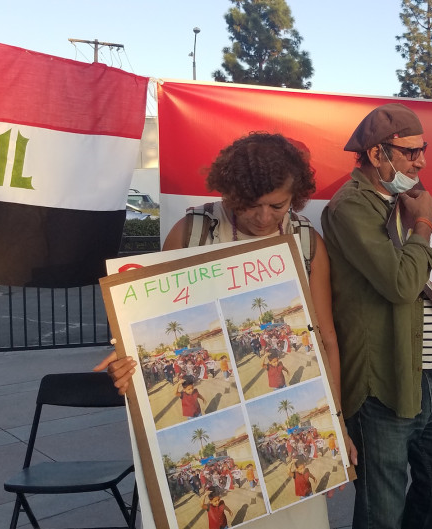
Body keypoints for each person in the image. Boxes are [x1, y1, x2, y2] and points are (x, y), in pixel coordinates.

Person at [94, 132, 357, 529]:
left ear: (297, 197)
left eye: (277, 205)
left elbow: (326, 339)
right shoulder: (192, 233)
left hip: (291, 422)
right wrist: (131, 358)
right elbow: (154, 329)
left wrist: (334, 426)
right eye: (249, 205)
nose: (264, 218)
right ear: (228, 193)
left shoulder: (305, 241)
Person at [322, 103, 432, 529]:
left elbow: (426, 278)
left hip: (431, 374)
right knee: (382, 509)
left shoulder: (407, 199)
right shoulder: (350, 207)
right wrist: (423, 223)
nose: (421, 160)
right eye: (410, 152)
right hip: (384, 381)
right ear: (376, 154)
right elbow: (401, 284)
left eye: (423, 150)